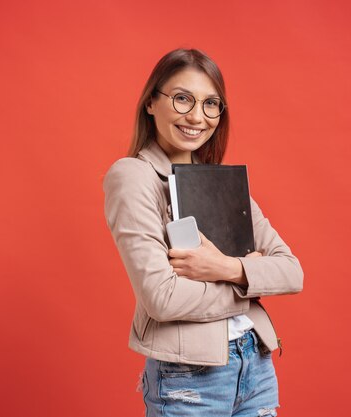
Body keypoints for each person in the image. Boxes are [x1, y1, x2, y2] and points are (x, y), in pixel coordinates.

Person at [103, 48, 304, 417]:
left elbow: (291, 271)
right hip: (189, 377)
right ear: (151, 102)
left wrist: (225, 267)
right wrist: (250, 279)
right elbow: (162, 299)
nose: (197, 116)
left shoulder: (221, 181)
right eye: (182, 99)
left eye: (211, 104)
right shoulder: (133, 176)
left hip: (255, 365)